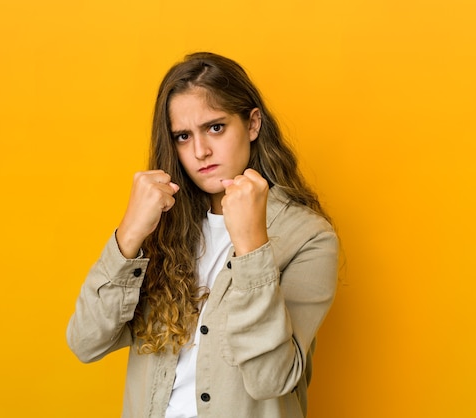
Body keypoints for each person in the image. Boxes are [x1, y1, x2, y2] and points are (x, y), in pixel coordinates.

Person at [66, 52, 338, 418]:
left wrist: (252, 249)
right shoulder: (163, 229)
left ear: (253, 123)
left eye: (215, 127)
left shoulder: (308, 237)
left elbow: (270, 379)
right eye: (182, 136)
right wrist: (129, 233)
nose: (200, 152)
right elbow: (85, 342)